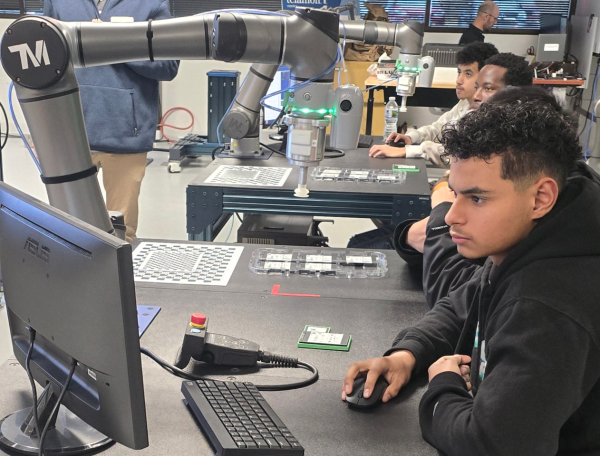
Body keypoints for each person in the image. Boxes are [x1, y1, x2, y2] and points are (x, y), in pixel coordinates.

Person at [343, 88, 600, 455]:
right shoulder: (539, 239)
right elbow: (462, 303)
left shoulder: (549, 307)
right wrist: (408, 354)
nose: (450, 216)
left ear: (541, 197)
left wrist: (443, 386)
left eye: (477, 198)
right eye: (455, 193)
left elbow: (490, 446)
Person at [393, 52, 534, 301]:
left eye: (487, 88)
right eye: (476, 86)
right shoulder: (480, 124)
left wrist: (438, 218)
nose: (476, 96)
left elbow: (458, 297)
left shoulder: (514, 162)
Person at [44, 0, 180, 242]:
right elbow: (44, 60)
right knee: (67, 232)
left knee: (120, 234)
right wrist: (42, 130)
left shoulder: (151, 4)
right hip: (70, 136)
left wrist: (113, 43)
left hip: (126, 136)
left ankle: (116, 280)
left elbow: (168, 66)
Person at [368, 42, 499, 164]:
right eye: (459, 72)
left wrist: (406, 151)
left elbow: (457, 154)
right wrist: (412, 137)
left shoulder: (486, 115)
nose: (459, 80)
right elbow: (438, 128)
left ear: (485, 77)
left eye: (468, 74)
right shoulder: (464, 103)